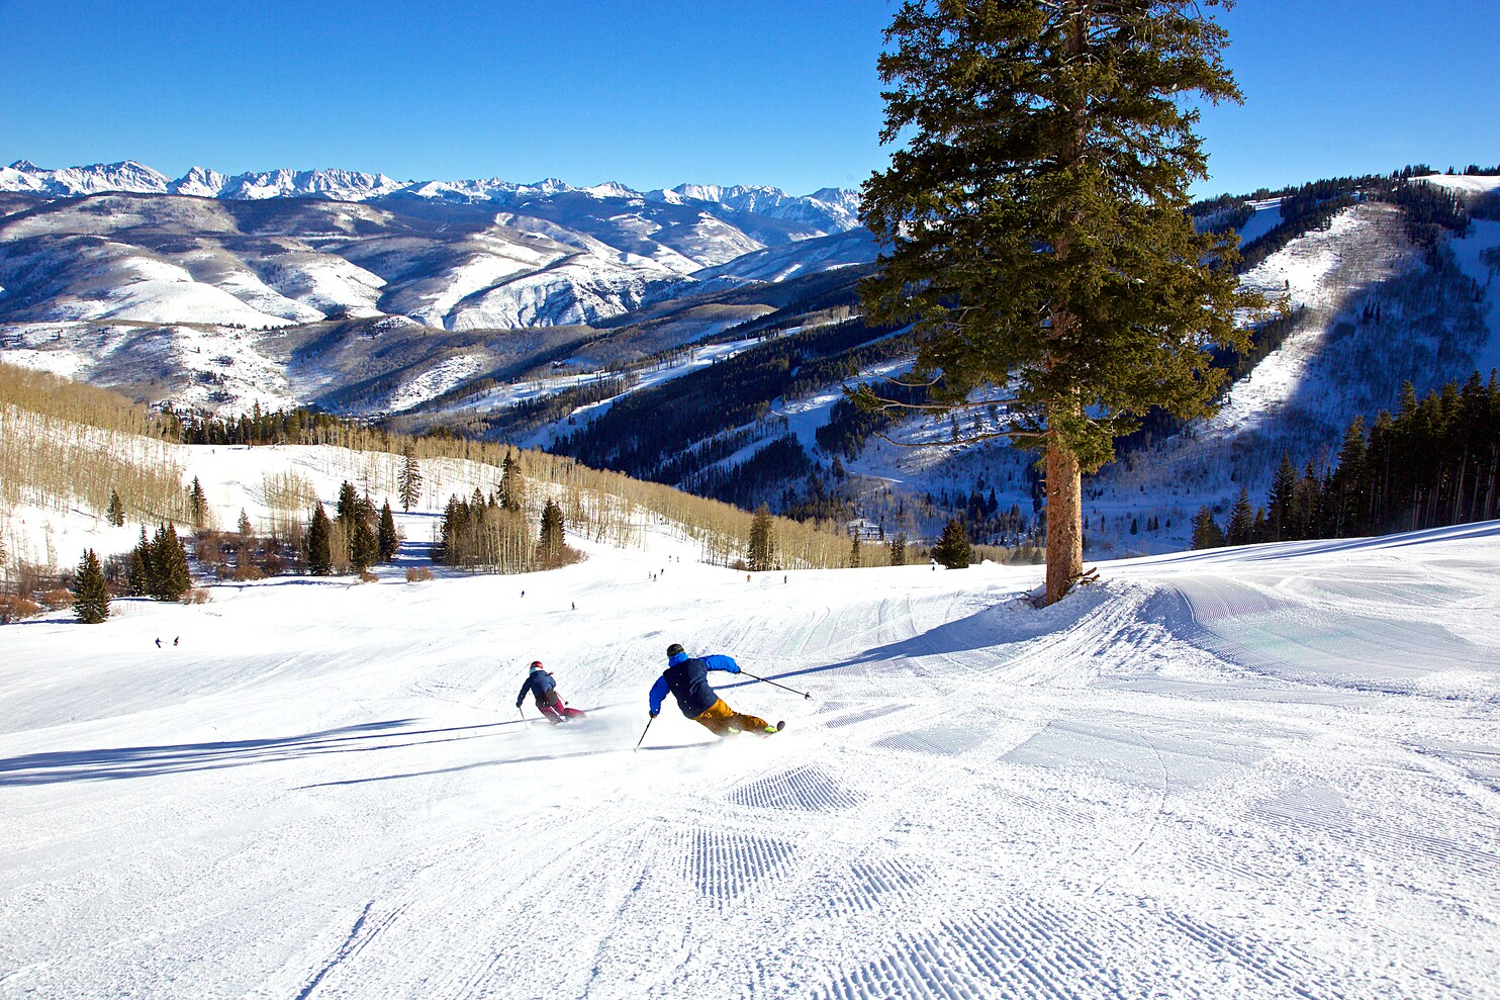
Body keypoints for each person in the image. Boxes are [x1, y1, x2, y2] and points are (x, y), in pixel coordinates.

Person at [648, 643, 782, 737]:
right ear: (683, 653)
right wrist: (735, 668)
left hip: (691, 712)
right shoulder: (696, 663)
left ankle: (729, 734)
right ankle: (764, 729)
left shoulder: (666, 677)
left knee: (711, 723)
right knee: (732, 717)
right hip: (707, 701)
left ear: (669, 658)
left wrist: (654, 712)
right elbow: (721, 660)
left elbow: (655, 694)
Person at [516, 661, 585, 723]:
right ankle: (580, 715)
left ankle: (556, 721)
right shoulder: (546, 675)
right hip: (551, 696)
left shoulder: (530, 679)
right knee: (561, 711)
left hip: (540, 699)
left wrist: (519, 702)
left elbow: (523, 692)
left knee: (543, 707)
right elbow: (554, 683)